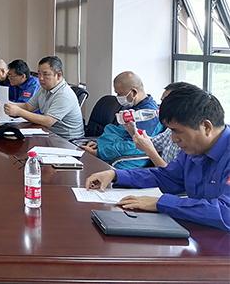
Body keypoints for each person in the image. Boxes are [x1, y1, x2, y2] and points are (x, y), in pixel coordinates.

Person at [85, 85, 230, 231]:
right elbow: (168, 177)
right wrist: (115, 175)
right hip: (199, 233)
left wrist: (161, 203)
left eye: (177, 131)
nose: (173, 139)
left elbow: (226, 212)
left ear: (206, 127)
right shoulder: (193, 150)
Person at [82, 71, 160, 168]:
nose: (118, 98)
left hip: (122, 162)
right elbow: (117, 133)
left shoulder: (148, 115)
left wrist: (100, 152)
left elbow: (132, 146)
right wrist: (99, 144)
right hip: (109, 154)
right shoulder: (132, 106)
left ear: (133, 92)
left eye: (120, 94)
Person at [4, 56, 84, 139]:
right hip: (50, 134)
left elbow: (48, 121)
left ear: (58, 75)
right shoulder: (44, 88)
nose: (41, 78)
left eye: (46, 74)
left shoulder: (64, 94)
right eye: (39, 74)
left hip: (67, 140)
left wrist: (19, 112)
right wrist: (8, 105)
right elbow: (28, 106)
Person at [127, 82, 197, 168]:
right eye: (162, 102)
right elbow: (152, 143)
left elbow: (172, 175)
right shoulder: (170, 129)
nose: (160, 108)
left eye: (165, 102)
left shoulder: (191, 140)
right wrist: (132, 129)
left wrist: (150, 152)